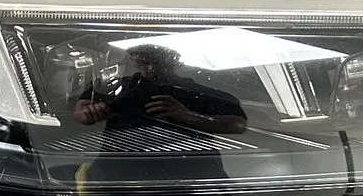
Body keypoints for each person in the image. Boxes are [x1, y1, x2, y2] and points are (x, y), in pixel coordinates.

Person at [72, 43, 248, 136]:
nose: (150, 70)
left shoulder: (198, 92)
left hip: (193, 170)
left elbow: (238, 125)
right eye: (142, 64)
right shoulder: (115, 86)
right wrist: (89, 113)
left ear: (175, 63)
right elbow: (80, 111)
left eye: (157, 63)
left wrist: (187, 116)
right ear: (132, 61)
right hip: (118, 170)